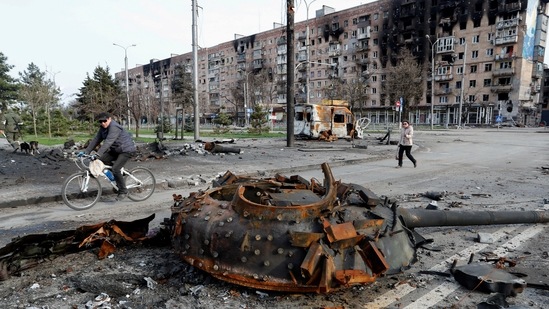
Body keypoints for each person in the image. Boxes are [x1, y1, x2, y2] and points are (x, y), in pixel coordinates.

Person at [81, 112, 136, 201]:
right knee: (100, 161)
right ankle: (119, 177)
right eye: (100, 121)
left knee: (115, 168)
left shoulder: (114, 127)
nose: (103, 123)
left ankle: (123, 191)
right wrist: (86, 152)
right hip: (115, 150)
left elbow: (108, 142)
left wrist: (97, 154)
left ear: (110, 119)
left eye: (104, 121)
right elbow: (96, 140)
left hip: (126, 150)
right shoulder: (102, 128)